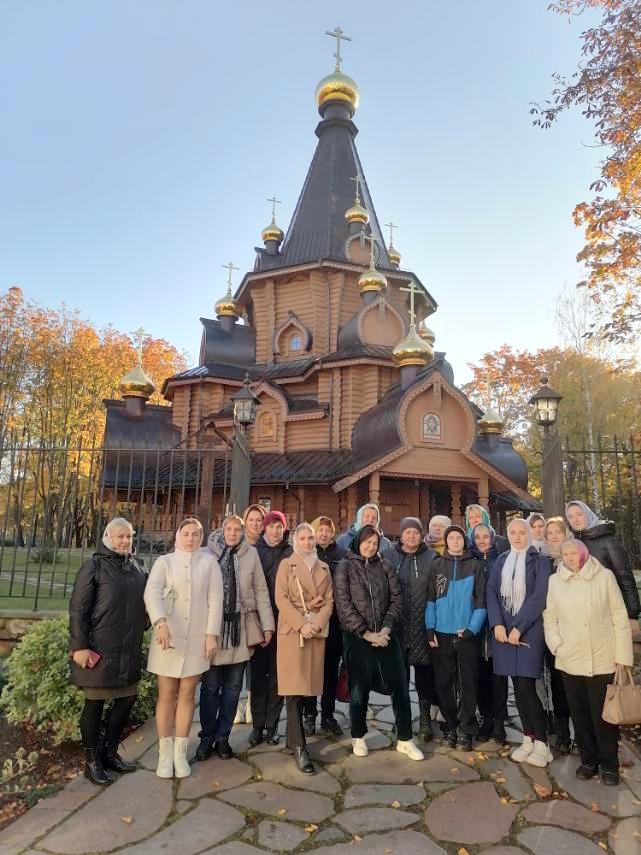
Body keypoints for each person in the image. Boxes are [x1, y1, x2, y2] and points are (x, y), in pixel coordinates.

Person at [544, 539, 633, 786]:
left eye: (574, 553)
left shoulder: (604, 577)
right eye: (566, 554)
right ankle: (588, 760)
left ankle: (609, 765)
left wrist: (622, 656)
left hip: (602, 657)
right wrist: (557, 645)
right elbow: (550, 617)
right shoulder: (555, 581)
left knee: (603, 716)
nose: (571, 558)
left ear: (583, 553)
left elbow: (619, 616)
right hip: (570, 658)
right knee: (580, 713)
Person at [334, 525, 424, 761]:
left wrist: (385, 629)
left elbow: (396, 599)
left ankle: (405, 738)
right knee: (358, 689)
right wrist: (365, 633)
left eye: (375, 543)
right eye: (367, 542)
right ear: (358, 542)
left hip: (386, 635)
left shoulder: (384, 565)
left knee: (400, 686)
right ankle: (358, 735)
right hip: (357, 637)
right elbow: (343, 604)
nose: (371, 547)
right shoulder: (345, 567)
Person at [69, 518, 148, 785]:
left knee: (126, 700)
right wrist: (80, 646)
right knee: (95, 704)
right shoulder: (93, 566)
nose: (125, 541)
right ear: (108, 537)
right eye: (120, 536)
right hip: (99, 649)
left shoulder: (138, 567)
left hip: (128, 648)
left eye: (129, 536)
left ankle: (109, 753)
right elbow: (78, 610)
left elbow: (149, 601)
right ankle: (91, 762)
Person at [144, 518, 223, 779]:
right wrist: (160, 622)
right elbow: (152, 592)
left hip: (196, 639)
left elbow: (215, 599)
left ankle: (180, 752)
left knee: (188, 694)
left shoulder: (209, 562)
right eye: (186, 533)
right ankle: (165, 754)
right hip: (167, 637)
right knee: (167, 694)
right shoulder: (164, 562)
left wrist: (211, 634)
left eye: (196, 534)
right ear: (178, 535)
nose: (191, 538)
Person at [196, 515, 275, 761]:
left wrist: (267, 625)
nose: (232, 533)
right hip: (215, 629)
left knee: (232, 689)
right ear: (222, 530)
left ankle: (223, 738)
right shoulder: (208, 554)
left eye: (236, 529)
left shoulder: (250, 554)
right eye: (228, 529)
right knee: (210, 688)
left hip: (240, 629)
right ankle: (207, 737)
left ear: (242, 532)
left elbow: (261, 590)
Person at [486, 518, 553, 768]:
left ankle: (542, 743)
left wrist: (519, 627)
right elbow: (491, 591)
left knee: (527, 686)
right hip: (504, 632)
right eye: (512, 533)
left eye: (521, 532)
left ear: (528, 534)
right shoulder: (502, 560)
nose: (517, 537)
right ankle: (528, 737)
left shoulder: (540, 560)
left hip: (529, 631)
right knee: (516, 686)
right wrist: (498, 624)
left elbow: (539, 596)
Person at [275, 523, 333, 774]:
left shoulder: (324, 568)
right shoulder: (287, 565)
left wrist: (317, 624)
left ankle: (291, 739)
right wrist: (301, 625)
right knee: (294, 689)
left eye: (311, 538)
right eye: (303, 538)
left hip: (315, 632)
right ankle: (300, 747)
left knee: (308, 688)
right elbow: (281, 599)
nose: (308, 542)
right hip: (293, 632)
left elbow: (329, 602)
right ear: (295, 540)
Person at [426, 525, 487, 751]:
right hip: (441, 632)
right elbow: (430, 598)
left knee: (468, 682)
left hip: (466, 633)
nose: (454, 541)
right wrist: (429, 627)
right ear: (446, 541)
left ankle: (466, 729)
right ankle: (451, 725)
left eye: (458, 537)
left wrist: (473, 628)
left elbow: (481, 600)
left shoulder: (475, 565)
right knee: (444, 683)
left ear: (464, 541)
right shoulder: (437, 565)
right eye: (450, 538)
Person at [382, 516, 438, 742]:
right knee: (400, 678)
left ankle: (425, 721)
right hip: (398, 626)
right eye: (408, 532)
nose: (411, 535)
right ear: (402, 534)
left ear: (421, 534)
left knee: (425, 677)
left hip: (423, 625)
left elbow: (437, 592)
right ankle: (401, 721)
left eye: (416, 532)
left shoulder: (433, 557)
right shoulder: (389, 557)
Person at [249, 510, 293, 746]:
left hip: (284, 621)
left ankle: (272, 725)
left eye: (279, 526)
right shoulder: (253, 551)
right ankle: (257, 725)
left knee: (278, 675)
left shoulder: (290, 552)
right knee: (258, 675)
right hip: (258, 620)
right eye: (271, 526)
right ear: (264, 528)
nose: (275, 531)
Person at [302, 516, 346, 736]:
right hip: (311, 620)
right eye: (320, 530)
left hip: (335, 622)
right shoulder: (307, 554)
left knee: (330, 671)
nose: (324, 534)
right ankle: (309, 715)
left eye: (328, 530)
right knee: (312, 671)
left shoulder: (341, 555)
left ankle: (327, 715)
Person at [565, 500, 641, 628]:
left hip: (610, 610)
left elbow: (625, 578)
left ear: (587, 514)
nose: (575, 519)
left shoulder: (608, 541)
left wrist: (633, 615)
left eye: (579, 514)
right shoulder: (571, 543)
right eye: (570, 516)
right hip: (584, 615)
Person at [470, 523, 508, 744]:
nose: (482, 541)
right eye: (478, 537)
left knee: (499, 678)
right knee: (480, 678)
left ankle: (500, 721)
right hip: (476, 629)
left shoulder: (501, 561)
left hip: (497, 627)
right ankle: (486, 719)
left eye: (486, 537)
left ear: (493, 538)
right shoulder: (470, 561)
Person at [541, 516, 574, 753]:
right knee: (556, 681)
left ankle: (582, 731)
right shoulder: (541, 560)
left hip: (575, 629)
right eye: (549, 533)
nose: (553, 536)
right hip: (550, 629)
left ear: (566, 533)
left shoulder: (575, 557)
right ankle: (562, 732)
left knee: (575, 682)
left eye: (557, 532)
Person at [232, 505, 267, 726]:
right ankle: (235, 705)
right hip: (236, 612)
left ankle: (252, 704)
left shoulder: (265, 547)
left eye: (258, 520)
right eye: (251, 520)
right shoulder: (235, 544)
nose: (255, 524)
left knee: (256, 661)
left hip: (257, 611)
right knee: (236, 660)